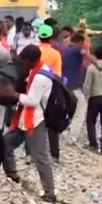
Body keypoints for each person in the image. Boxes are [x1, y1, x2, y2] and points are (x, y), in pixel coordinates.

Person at [0, 45, 57, 203]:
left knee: (40, 157)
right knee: (5, 144)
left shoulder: (40, 77)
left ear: (30, 60)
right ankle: (12, 175)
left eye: (23, 60)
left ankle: (50, 192)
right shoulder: (37, 70)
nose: (21, 64)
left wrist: (12, 94)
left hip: (35, 121)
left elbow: (33, 100)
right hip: (24, 119)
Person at [38, 25, 64, 161]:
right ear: (51, 38)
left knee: (33, 120)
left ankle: (30, 154)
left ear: (39, 36)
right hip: (51, 90)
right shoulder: (55, 54)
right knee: (52, 122)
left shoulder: (33, 50)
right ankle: (54, 154)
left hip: (34, 89)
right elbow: (58, 75)